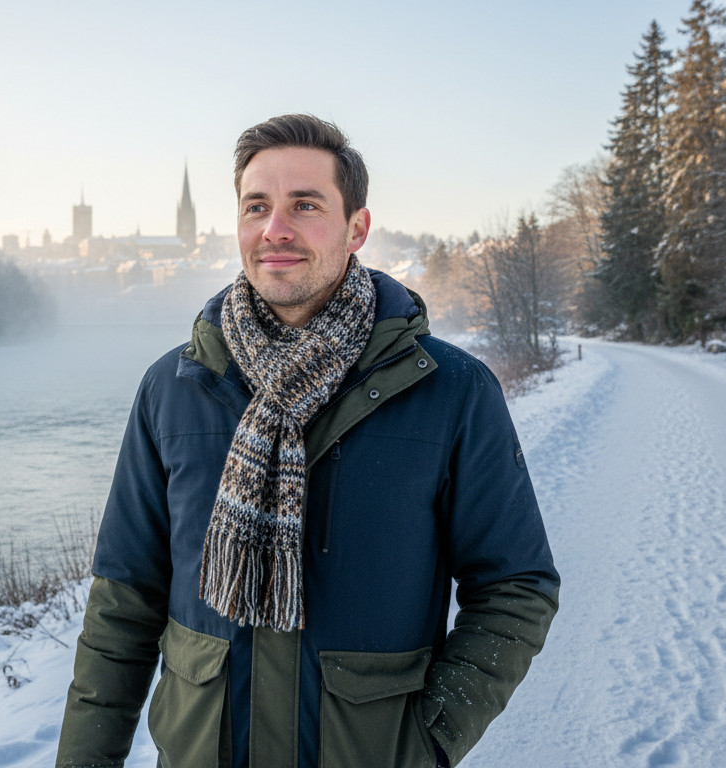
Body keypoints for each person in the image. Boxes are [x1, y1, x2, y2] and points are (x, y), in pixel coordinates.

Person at [56, 114, 559, 768]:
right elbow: (124, 604)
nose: (275, 229)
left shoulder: (451, 391)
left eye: (305, 205)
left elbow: (517, 587)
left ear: (357, 228)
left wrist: (428, 740)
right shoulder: (174, 388)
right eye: (256, 206)